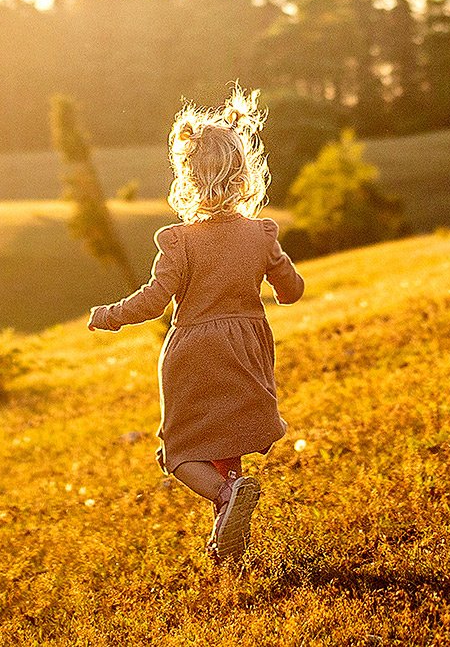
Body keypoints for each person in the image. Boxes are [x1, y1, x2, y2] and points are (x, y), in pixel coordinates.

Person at [88, 89, 306, 557]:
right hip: (247, 346)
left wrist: (109, 316)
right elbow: (291, 291)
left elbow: (153, 302)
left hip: (193, 353)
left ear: (186, 176)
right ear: (244, 172)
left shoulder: (178, 241)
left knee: (181, 451)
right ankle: (228, 532)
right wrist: (277, 271)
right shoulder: (261, 233)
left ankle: (226, 498)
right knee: (227, 439)